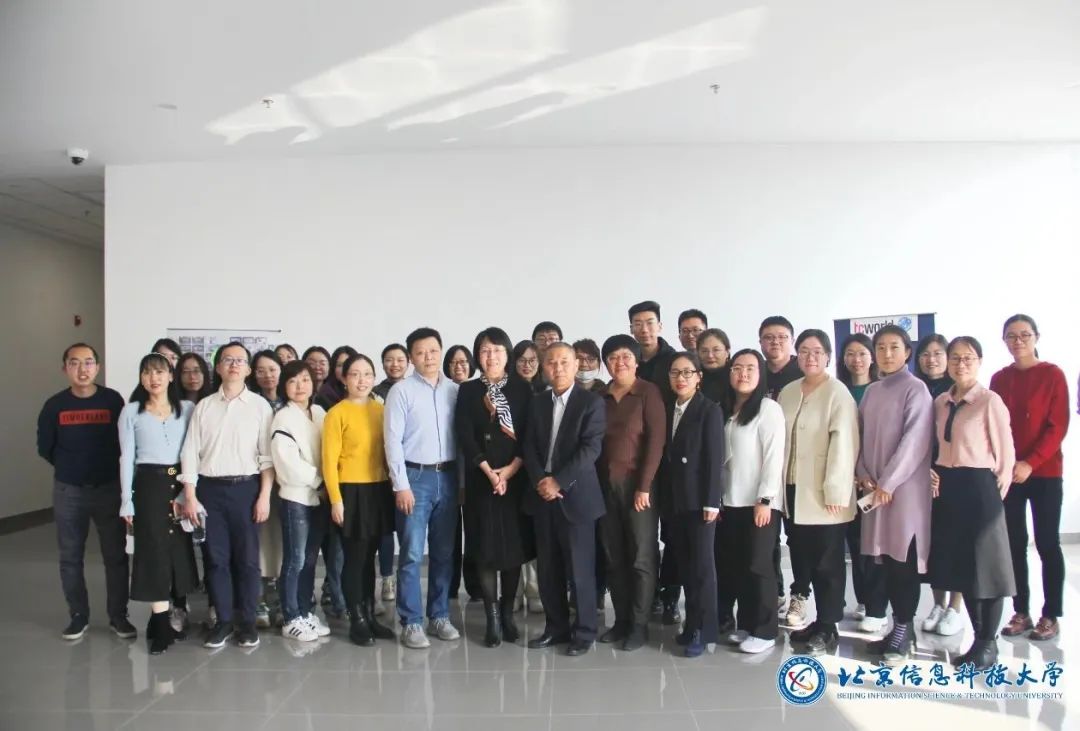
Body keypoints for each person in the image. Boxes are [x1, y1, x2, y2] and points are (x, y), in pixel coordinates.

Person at [179, 342, 275, 650]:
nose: (234, 364)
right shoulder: (204, 407)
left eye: (240, 360)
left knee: (247, 561)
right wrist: (190, 496)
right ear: (218, 367)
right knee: (215, 559)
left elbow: (267, 457)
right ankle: (222, 620)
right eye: (227, 360)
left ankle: (246, 623)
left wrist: (264, 496)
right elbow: (190, 452)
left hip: (247, 489)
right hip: (209, 491)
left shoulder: (260, 406)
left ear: (248, 370)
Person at [930, 336, 1016, 671]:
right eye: (955, 358)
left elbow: (1005, 455)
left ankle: (988, 644)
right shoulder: (941, 402)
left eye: (968, 358)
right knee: (963, 570)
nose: (961, 364)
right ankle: (979, 640)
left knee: (986, 570)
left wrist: (994, 494)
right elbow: (935, 446)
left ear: (979, 361)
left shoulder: (990, 401)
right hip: (949, 489)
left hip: (980, 489)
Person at [37, 343, 133, 641]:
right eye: (75, 362)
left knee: (115, 556)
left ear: (97, 367)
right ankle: (78, 616)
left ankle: (118, 616)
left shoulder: (112, 401)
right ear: (65, 368)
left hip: (108, 488)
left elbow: (124, 441)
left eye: (88, 362)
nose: (82, 369)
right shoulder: (54, 405)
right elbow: (45, 447)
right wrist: (72, 467)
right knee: (70, 557)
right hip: (69, 491)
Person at [778, 329, 859, 656]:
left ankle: (829, 626)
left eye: (817, 352)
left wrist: (836, 491)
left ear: (827, 357)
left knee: (828, 563)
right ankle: (817, 621)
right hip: (792, 490)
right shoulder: (788, 391)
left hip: (825, 493)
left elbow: (845, 444)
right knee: (802, 556)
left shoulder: (837, 393)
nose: (810, 357)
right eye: (804, 351)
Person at [856, 326, 934, 661]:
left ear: (907, 352)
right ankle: (896, 628)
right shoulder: (872, 391)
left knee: (903, 561)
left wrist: (888, 482)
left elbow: (914, 442)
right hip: (876, 491)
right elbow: (859, 436)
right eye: (881, 347)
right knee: (884, 561)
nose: (887, 354)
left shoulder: (916, 389)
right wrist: (863, 474)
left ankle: (904, 628)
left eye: (894, 347)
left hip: (904, 494)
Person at [991, 315, 1070, 642]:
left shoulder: (1052, 374)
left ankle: (1051, 615)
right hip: (1009, 474)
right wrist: (1006, 465)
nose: (1018, 341)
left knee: (1047, 543)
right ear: (1004, 341)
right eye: (1011, 336)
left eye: (1024, 334)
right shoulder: (999, 379)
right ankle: (1021, 611)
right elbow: (995, 426)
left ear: (1036, 337)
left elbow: (1057, 426)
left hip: (1046, 473)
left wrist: (1031, 463)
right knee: (1013, 543)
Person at [454, 327, 535, 646]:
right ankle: (491, 618)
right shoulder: (468, 390)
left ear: (507, 354)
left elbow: (530, 434)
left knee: (512, 550)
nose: (491, 356)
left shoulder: (522, 389)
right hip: (481, 479)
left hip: (515, 479)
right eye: (485, 351)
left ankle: (507, 613)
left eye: (497, 350)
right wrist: (489, 472)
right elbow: (464, 433)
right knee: (485, 549)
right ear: (478, 355)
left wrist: (510, 471)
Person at [524, 343, 606, 656]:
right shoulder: (537, 403)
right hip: (542, 495)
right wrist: (541, 481)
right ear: (543, 367)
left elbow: (590, 449)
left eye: (563, 362)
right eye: (551, 362)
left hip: (577, 496)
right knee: (548, 569)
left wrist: (558, 481)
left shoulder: (591, 402)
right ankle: (556, 627)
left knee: (580, 569)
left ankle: (584, 632)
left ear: (575, 366)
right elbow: (529, 446)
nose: (557, 368)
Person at [384, 327, 461, 649]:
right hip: (415, 478)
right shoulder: (401, 391)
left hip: (449, 477)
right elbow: (392, 441)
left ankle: (439, 615)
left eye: (433, 351)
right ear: (411, 357)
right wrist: (400, 485)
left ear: (441, 351)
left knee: (444, 552)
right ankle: (411, 621)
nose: (428, 357)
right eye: (420, 352)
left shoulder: (455, 390)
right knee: (413, 553)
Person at [119, 352, 197, 654]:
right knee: (153, 551)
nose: (154, 378)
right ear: (141, 378)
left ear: (170, 376)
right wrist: (127, 500)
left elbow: (193, 452)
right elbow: (127, 458)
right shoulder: (132, 412)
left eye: (160, 371)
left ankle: (174, 613)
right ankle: (161, 624)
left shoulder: (186, 409)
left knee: (178, 549)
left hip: (179, 481)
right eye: (148, 372)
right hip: (148, 485)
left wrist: (185, 492)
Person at [596, 335, 665, 651]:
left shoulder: (648, 393)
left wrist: (644, 486)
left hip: (638, 489)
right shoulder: (600, 396)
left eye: (625, 356)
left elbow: (656, 442)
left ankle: (639, 625)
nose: (619, 362)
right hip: (604, 487)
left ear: (636, 361)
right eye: (612, 357)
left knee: (640, 557)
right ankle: (621, 620)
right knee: (614, 556)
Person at [325, 354, 396, 646]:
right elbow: (328, 462)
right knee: (354, 559)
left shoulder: (381, 410)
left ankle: (369, 614)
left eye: (367, 374)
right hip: (350, 491)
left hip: (378, 490)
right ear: (344, 378)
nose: (362, 380)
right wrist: (336, 500)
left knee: (370, 558)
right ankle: (356, 619)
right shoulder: (336, 413)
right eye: (355, 374)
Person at [718, 350, 784, 654]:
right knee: (739, 566)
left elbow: (774, 456)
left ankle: (765, 630)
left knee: (760, 565)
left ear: (760, 374)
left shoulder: (768, 409)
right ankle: (746, 624)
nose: (742, 374)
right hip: (731, 501)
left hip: (759, 502)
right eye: (737, 368)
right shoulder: (727, 409)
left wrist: (765, 498)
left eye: (750, 368)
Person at [662, 351, 724, 657]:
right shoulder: (670, 408)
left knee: (701, 569)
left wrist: (712, 501)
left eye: (687, 372)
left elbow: (715, 458)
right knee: (685, 567)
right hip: (676, 501)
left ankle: (703, 629)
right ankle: (690, 625)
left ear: (699, 377)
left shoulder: (709, 410)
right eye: (675, 372)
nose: (681, 378)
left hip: (700, 502)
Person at [271, 360, 330, 643]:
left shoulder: (319, 413)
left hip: (319, 498)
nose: (300, 386)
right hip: (296, 497)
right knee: (294, 559)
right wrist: (319, 482)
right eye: (293, 381)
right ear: (284, 386)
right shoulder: (283, 417)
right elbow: (288, 463)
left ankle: (306, 611)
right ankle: (291, 617)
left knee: (309, 559)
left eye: (305, 379)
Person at [914, 333, 965, 636]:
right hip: (923, 474)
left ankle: (955, 608)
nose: (931, 359)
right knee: (934, 544)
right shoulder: (916, 388)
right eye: (925, 354)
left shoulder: (957, 389)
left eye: (937, 353)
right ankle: (937, 604)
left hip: (955, 474)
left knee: (956, 542)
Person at [836, 333, 887, 634]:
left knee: (873, 545)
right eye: (850, 354)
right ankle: (864, 599)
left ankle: (876, 604)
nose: (856, 360)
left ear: (872, 357)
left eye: (862, 353)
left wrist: (865, 472)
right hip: (845, 480)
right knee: (854, 544)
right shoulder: (839, 391)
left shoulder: (880, 390)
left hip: (872, 479)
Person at [759, 316, 803, 615]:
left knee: (798, 538)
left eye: (782, 337)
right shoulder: (755, 372)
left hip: (796, 470)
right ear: (760, 342)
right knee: (768, 537)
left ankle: (800, 594)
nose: (775, 342)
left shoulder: (804, 372)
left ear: (791, 341)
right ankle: (773, 591)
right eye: (768, 337)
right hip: (764, 468)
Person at [313, 345, 356, 617]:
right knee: (335, 547)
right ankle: (338, 598)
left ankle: (352, 598)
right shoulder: (323, 401)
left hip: (360, 484)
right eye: (340, 365)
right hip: (333, 483)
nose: (346, 370)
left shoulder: (369, 403)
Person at [247, 350, 285, 628]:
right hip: (256, 481)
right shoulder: (249, 403)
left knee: (282, 541)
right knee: (259, 540)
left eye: (272, 369)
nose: (267, 375)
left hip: (287, 483)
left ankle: (280, 599)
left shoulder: (292, 401)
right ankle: (258, 598)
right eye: (260, 370)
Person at [442, 343, 481, 602]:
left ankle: (476, 586)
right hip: (448, 470)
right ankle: (450, 585)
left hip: (475, 469)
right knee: (450, 533)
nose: (459, 366)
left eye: (464, 361)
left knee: (475, 531)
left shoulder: (479, 391)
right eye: (454, 362)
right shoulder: (443, 391)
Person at [373, 342, 409, 608]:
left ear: (408, 362)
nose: (394, 364)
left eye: (399, 359)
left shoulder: (413, 390)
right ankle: (387, 578)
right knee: (385, 529)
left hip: (412, 470)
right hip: (382, 471)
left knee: (408, 531)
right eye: (389, 359)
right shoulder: (374, 394)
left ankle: (404, 581)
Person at [697, 328, 732, 407]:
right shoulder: (693, 377)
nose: (710, 356)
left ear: (727, 352)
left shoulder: (735, 376)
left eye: (716, 350)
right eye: (704, 351)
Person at [316, 346, 358, 410]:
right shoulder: (323, 395)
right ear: (333, 368)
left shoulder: (364, 390)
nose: (344, 369)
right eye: (339, 365)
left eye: (349, 364)